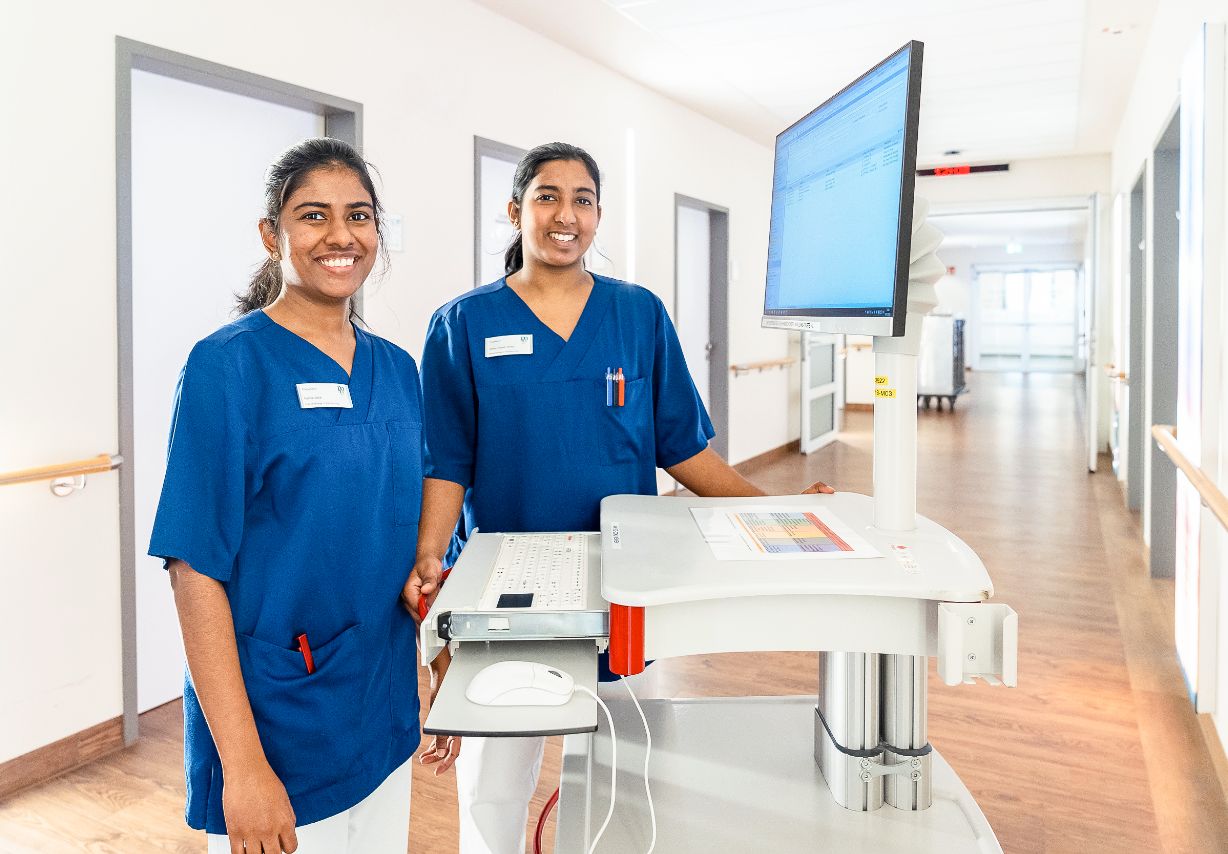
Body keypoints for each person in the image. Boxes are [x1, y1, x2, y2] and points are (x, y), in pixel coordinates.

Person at [404, 141, 832, 854]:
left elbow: (682, 448)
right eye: (546, 196)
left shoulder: (637, 315)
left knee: (624, 782)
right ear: (516, 212)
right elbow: (444, 462)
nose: (564, 215)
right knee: (494, 788)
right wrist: (428, 568)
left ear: (599, 216)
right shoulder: (463, 325)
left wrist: (774, 511)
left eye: (582, 199)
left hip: (620, 583)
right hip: (503, 589)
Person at [149, 138, 442, 854]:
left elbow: (390, 540)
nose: (341, 236)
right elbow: (194, 569)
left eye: (360, 216)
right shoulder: (227, 367)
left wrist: (425, 665)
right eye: (314, 216)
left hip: (380, 706)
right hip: (279, 722)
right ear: (272, 235)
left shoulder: (397, 369)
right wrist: (243, 770)